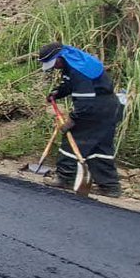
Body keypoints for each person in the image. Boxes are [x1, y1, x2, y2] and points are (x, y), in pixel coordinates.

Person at [39, 41, 123, 197]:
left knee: (73, 140)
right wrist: (57, 93)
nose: (54, 67)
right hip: (109, 107)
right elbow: (69, 83)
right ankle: (110, 187)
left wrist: (72, 120)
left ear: (60, 57)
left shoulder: (79, 70)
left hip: (96, 108)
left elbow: (85, 103)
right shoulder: (73, 61)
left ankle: (65, 178)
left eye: (54, 63)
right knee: (100, 148)